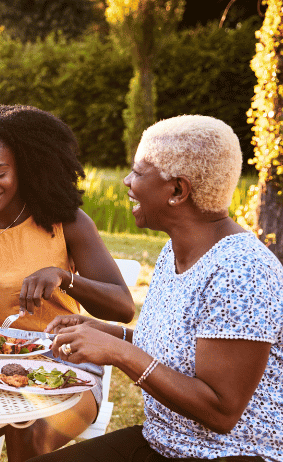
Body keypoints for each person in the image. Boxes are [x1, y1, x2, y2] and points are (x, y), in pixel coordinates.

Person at [31, 115, 283, 462]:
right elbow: (182, 350)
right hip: (160, 443)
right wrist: (111, 333)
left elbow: (221, 412)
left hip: (231, 455)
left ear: (178, 190)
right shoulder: (175, 250)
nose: (126, 181)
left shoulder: (241, 271)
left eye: (138, 172)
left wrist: (119, 353)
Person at [0, 105, 136, 462]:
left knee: (29, 440)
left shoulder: (67, 223)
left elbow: (123, 308)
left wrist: (64, 278)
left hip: (66, 365)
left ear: (24, 169)